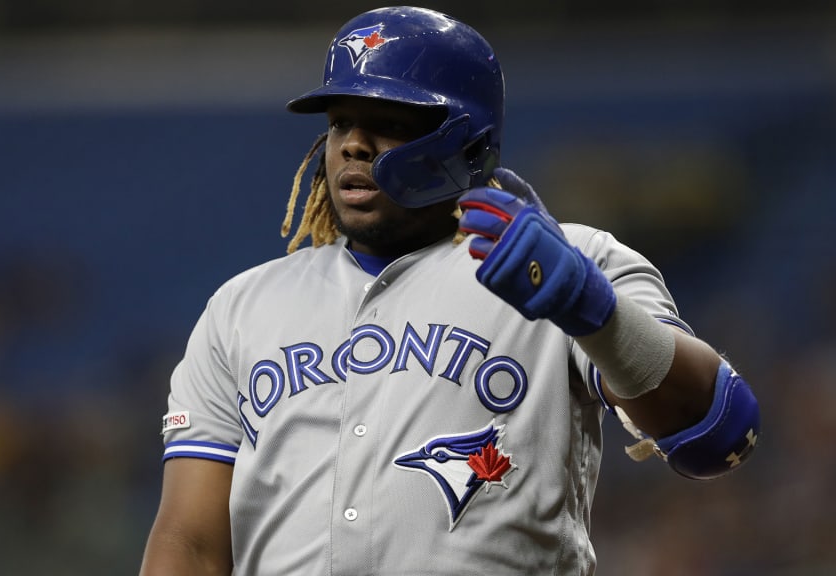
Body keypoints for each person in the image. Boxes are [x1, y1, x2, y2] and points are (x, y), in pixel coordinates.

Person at [139, 6, 760, 575]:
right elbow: (190, 543)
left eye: (388, 121)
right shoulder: (243, 307)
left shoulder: (577, 263)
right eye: (340, 122)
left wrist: (592, 312)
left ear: (467, 141)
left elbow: (718, 434)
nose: (353, 144)